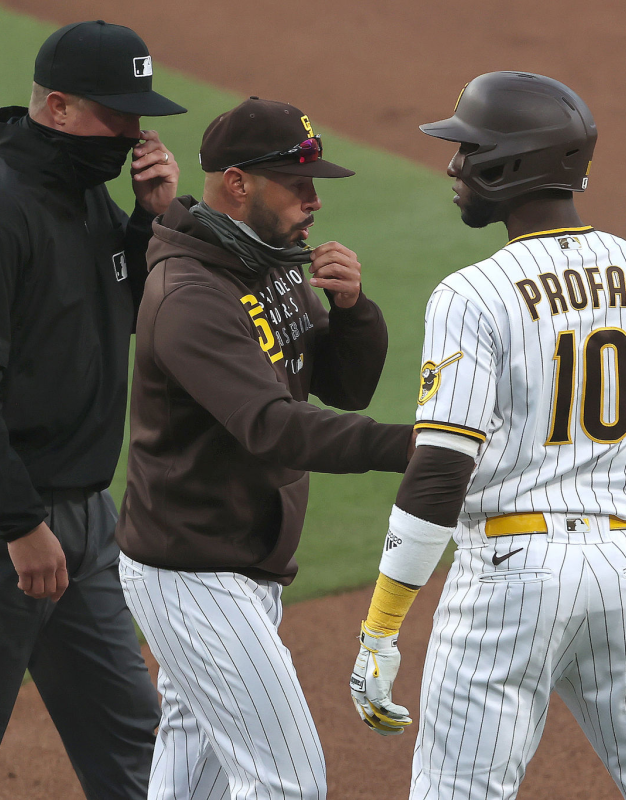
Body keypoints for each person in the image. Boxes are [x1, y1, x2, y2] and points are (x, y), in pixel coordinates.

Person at [348, 72, 626, 800]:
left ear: (511, 166)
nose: (453, 167)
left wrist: (381, 626)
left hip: (511, 578)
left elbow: (438, 472)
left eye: (468, 151)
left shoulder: (473, 293)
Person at [0, 21, 185, 800]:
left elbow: (109, 313)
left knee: (135, 743)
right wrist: (21, 527)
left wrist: (149, 218)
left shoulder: (84, 197)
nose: (133, 134)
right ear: (57, 107)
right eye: (117, 116)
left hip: (83, 520)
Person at [117, 97, 414, 800]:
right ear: (239, 183)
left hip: (238, 559)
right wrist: (418, 446)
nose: (313, 201)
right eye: (297, 184)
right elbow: (273, 425)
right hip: (193, 571)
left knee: (192, 772)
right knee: (288, 783)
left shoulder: (270, 260)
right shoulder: (189, 293)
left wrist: (353, 312)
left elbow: (344, 387)